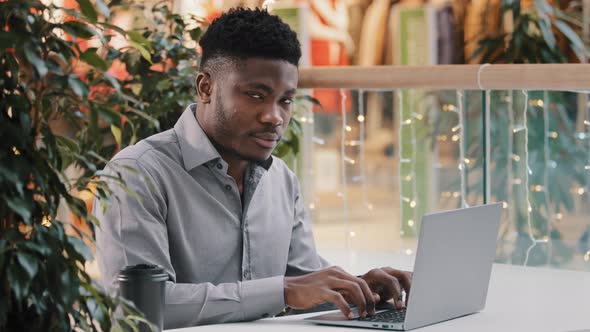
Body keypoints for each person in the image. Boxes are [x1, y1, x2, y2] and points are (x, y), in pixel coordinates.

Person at [94, 7, 411, 330]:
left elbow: (303, 285)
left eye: (285, 101)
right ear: (205, 87)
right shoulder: (136, 174)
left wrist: (362, 288)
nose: (274, 116)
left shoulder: (281, 179)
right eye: (256, 95)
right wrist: (283, 291)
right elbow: (138, 309)